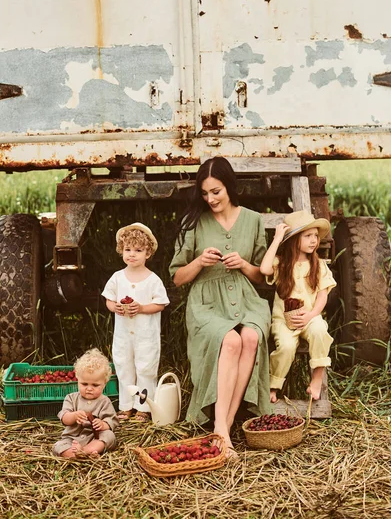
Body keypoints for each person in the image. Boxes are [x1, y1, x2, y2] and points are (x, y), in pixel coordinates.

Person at [169, 156, 272, 457]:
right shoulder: (195, 222)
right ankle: (222, 428)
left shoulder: (253, 219)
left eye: (216, 191)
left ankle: (222, 427)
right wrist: (200, 262)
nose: (210, 199)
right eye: (204, 193)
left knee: (250, 337)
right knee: (230, 340)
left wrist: (243, 264)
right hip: (207, 302)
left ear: (229, 187)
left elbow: (263, 277)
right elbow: (177, 278)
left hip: (245, 297)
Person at [260, 209, 337, 403]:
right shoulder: (282, 263)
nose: (314, 240)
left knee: (320, 330)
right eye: (308, 236)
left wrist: (311, 315)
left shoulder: (318, 265)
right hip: (284, 321)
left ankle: (317, 378)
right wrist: (277, 239)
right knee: (285, 346)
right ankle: (273, 385)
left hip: (310, 317)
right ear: (294, 240)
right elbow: (264, 268)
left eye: (315, 236)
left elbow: (322, 296)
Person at [102, 222, 170, 422]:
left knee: (145, 368)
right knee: (124, 367)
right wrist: (113, 306)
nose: (132, 254)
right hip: (123, 335)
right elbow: (109, 299)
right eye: (127, 249)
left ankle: (144, 407)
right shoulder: (117, 277)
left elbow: (160, 304)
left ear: (148, 253)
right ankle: (125, 406)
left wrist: (140, 308)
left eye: (138, 250)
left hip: (145, 335)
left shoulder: (152, 280)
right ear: (121, 251)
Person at [53, 348, 118, 458]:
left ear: (104, 383)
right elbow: (64, 418)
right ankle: (76, 454)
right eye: (84, 384)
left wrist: (103, 424)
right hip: (72, 439)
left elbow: (112, 421)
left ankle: (84, 451)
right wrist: (74, 416)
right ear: (77, 379)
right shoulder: (71, 398)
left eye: (95, 385)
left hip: (94, 437)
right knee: (58, 446)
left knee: (109, 436)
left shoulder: (104, 401)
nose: (89, 389)